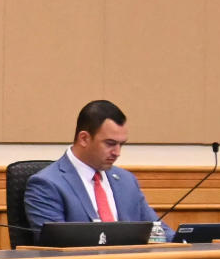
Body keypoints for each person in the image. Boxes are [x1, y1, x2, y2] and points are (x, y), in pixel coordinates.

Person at [24, 100, 173, 240]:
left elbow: (159, 233)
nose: (117, 152)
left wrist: (188, 241)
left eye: (121, 144)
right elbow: (55, 244)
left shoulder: (127, 181)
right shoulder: (47, 184)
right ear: (84, 139)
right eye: (110, 143)